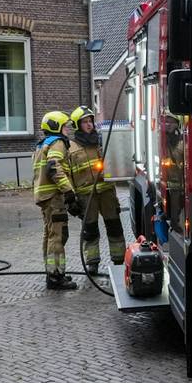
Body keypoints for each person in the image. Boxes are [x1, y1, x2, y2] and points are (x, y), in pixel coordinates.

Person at [67, 106, 125, 277]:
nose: (89, 125)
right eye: (85, 122)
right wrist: (70, 199)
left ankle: (119, 260)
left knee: (114, 226)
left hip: (107, 192)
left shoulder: (101, 142)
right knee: (90, 230)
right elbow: (68, 174)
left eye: (90, 121)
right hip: (86, 196)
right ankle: (92, 263)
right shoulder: (70, 149)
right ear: (77, 125)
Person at [32, 111, 80, 290]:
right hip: (54, 197)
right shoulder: (57, 143)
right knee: (58, 236)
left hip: (44, 197)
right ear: (57, 127)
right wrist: (68, 192)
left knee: (50, 235)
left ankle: (52, 271)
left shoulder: (42, 144)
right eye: (65, 126)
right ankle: (55, 277)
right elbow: (54, 167)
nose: (67, 129)